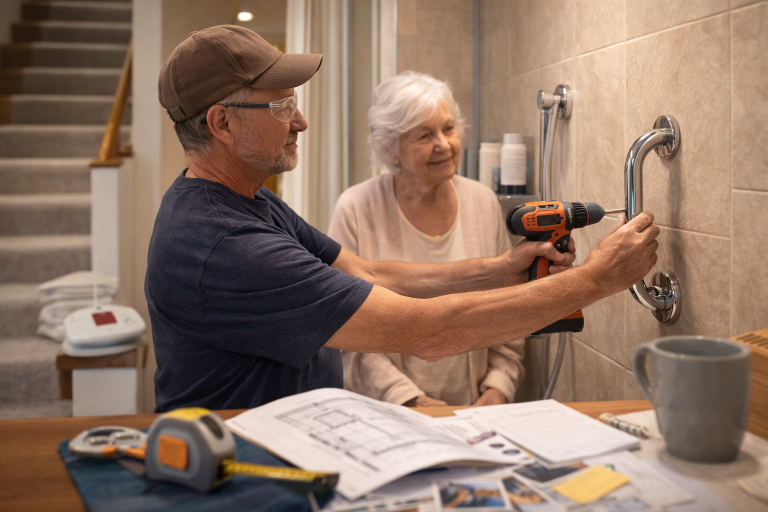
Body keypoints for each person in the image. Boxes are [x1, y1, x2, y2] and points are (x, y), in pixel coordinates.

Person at [146, 25, 660, 412]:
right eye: (280, 106)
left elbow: (370, 272)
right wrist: (598, 278)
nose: (299, 120)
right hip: (239, 474)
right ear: (222, 124)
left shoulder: (248, 199)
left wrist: (502, 268)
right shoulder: (225, 243)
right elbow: (427, 332)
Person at [328, 72, 524, 408]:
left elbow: (509, 304)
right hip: (389, 412)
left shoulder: (482, 201)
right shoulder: (357, 208)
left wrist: (498, 386)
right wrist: (406, 399)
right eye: (423, 135)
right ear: (391, 150)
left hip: (475, 411)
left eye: (448, 128)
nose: (444, 145)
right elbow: (345, 327)